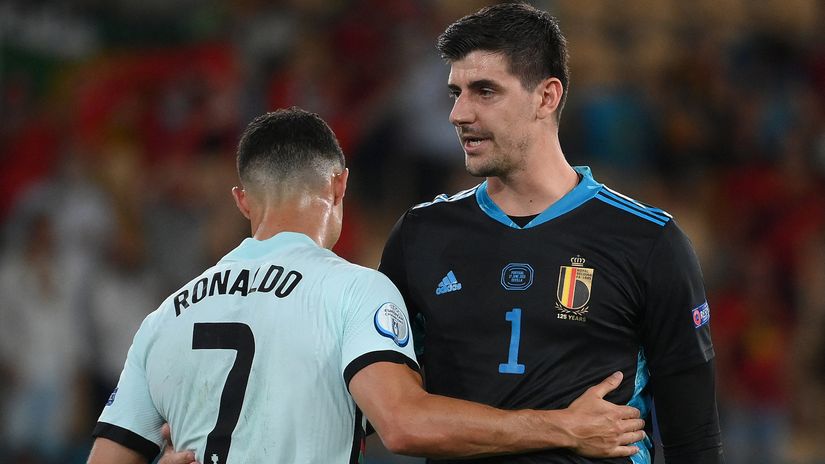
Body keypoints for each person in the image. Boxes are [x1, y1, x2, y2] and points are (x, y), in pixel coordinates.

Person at [86, 107, 647, 464]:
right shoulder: (354, 291)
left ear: (242, 200)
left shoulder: (164, 319)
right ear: (339, 185)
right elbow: (403, 425)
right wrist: (562, 427)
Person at [378, 3, 724, 464]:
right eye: (455, 93)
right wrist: (559, 429)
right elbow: (392, 415)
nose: (459, 113)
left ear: (546, 97)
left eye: (485, 91)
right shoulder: (419, 236)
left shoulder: (649, 240)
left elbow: (694, 438)